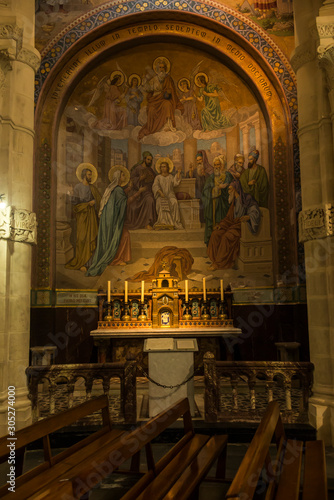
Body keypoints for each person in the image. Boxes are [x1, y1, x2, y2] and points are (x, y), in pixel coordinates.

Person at [86, 166, 131, 277]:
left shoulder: (112, 189)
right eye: (123, 175)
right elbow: (122, 204)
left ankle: (116, 258)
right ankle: (115, 259)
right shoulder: (118, 190)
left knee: (120, 235)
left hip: (108, 219)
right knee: (124, 235)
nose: (124, 176)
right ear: (118, 177)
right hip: (113, 219)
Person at [207, 180, 261, 270]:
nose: (228, 192)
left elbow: (255, 211)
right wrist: (221, 225)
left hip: (241, 226)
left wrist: (248, 217)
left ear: (236, 189)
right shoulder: (234, 202)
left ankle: (219, 263)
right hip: (232, 225)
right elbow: (228, 218)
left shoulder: (247, 198)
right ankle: (215, 260)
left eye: (230, 189)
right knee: (216, 234)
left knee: (226, 237)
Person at [66, 164, 101, 272]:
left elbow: (99, 200)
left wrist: (94, 202)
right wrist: (86, 204)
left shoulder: (92, 188)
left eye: (91, 175)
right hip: (82, 215)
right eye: (89, 175)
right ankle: (82, 262)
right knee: (81, 239)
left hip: (91, 216)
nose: (90, 177)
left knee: (91, 237)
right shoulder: (77, 187)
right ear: (84, 175)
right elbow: (75, 203)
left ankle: (90, 263)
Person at [138, 57, 183, 139]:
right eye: (160, 67)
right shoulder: (153, 79)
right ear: (157, 69)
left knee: (168, 104)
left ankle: (167, 125)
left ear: (165, 68)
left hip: (164, 99)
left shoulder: (168, 78)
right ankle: (152, 128)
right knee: (151, 109)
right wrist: (144, 82)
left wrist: (168, 91)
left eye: (163, 67)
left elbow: (172, 91)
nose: (161, 69)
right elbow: (148, 89)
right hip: (155, 99)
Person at [202, 155, 233, 245]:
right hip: (213, 205)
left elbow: (232, 188)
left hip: (223, 205)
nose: (216, 167)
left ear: (222, 165)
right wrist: (215, 189)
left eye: (218, 164)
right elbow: (205, 191)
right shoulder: (211, 177)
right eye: (215, 165)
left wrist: (224, 187)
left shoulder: (227, 175)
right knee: (214, 227)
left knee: (223, 225)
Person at [125, 151, 157, 229]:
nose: (150, 161)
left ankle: (148, 223)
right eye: (148, 159)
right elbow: (132, 179)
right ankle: (141, 223)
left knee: (150, 200)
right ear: (144, 159)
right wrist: (140, 179)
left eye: (151, 160)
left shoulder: (150, 170)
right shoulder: (137, 168)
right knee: (134, 205)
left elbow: (155, 180)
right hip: (137, 191)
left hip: (147, 191)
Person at [152, 158, 183, 230]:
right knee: (160, 202)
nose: (163, 168)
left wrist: (178, 173)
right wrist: (160, 193)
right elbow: (155, 186)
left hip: (170, 195)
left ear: (167, 168)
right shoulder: (158, 177)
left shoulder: (171, 177)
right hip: (161, 195)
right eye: (161, 167)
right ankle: (163, 221)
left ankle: (175, 222)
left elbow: (176, 183)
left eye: (164, 166)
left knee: (174, 202)